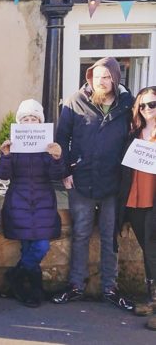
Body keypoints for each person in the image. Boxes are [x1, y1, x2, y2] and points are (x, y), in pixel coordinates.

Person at [52, 57, 134, 311]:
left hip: (113, 183)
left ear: (115, 78)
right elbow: (61, 138)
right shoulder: (75, 101)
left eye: (106, 76)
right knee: (81, 234)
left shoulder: (127, 104)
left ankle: (110, 287)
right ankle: (76, 286)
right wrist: (65, 171)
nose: (101, 81)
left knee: (110, 236)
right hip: (82, 181)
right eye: (97, 76)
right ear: (90, 78)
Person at [0, 99, 65, 308]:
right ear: (19, 122)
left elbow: (57, 175)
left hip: (43, 201)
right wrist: (6, 156)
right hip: (19, 201)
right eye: (25, 118)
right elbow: (2, 174)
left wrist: (57, 158)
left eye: (33, 118)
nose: (29, 122)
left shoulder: (48, 146)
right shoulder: (13, 146)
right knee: (27, 246)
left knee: (41, 245)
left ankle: (16, 275)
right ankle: (34, 290)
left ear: (40, 121)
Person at [117, 87, 156, 329]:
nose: (147, 110)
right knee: (149, 252)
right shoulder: (135, 134)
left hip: (154, 201)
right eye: (142, 106)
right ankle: (153, 300)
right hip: (136, 202)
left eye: (151, 104)